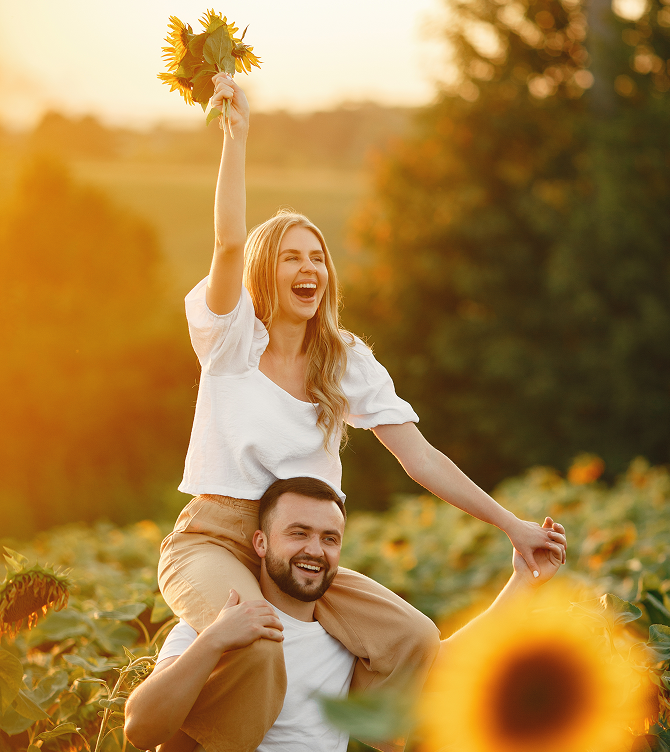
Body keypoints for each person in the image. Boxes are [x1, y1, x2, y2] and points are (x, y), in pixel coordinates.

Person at [157, 71, 565, 752]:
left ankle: (349, 736)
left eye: (317, 256)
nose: (308, 266)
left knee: (411, 638)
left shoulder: (345, 361)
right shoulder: (230, 342)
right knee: (257, 632)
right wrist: (238, 134)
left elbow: (420, 457)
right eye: (290, 256)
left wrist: (511, 525)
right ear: (266, 272)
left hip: (301, 545)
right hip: (218, 539)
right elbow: (228, 241)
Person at [129, 477, 567, 752]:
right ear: (260, 544)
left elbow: (447, 665)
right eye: (297, 533)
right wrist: (214, 641)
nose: (314, 550)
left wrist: (522, 583)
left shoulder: (347, 642)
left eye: (329, 538)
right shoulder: (215, 627)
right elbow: (141, 729)